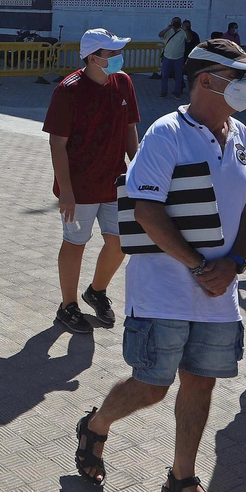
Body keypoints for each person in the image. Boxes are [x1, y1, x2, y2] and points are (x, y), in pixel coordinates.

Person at [72, 39, 246, 492]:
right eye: (237, 76)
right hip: (164, 289)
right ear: (206, 81)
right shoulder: (167, 133)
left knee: (200, 382)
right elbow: (145, 209)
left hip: (219, 293)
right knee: (153, 385)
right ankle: (96, 425)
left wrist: (236, 261)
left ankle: (182, 478)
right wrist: (203, 267)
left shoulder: (243, 135)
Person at [44, 29, 140, 335]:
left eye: (116, 53)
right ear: (92, 57)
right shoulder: (68, 90)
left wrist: (137, 172)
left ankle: (96, 291)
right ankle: (67, 306)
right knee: (75, 244)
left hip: (115, 182)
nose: (116, 58)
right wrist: (67, 191)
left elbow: (129, 129)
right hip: (80, 187)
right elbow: (57, 144)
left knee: (120, 242)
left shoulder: (123, 82)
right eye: (111, 53)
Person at [157, 17, 191, 98]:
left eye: (177, 22)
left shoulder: (183, 32)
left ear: (180, 23)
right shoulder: (169, 31)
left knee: (178, 76)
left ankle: (177, 93)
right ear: (171, 22)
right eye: (174, 21)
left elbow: (189, 39)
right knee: (164, 76)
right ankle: (164, 92)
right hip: (167, 57)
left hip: (178, 58)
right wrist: (168, 28)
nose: (175, 23)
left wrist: (186, 29)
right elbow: (160, 35)